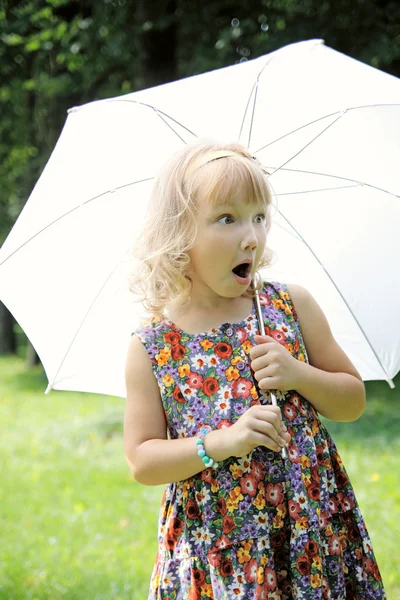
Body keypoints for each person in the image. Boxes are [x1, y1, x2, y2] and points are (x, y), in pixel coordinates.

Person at [124, 139, 386, 599]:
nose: (252, 236)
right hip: (219, 548)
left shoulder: (288, 306)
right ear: (179, 232)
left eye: (259, 216)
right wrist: (223, 442)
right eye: (228, 218)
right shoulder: (154, 346)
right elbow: (142, 460)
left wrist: (298, 374)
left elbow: (352, 399)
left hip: (309, 529)